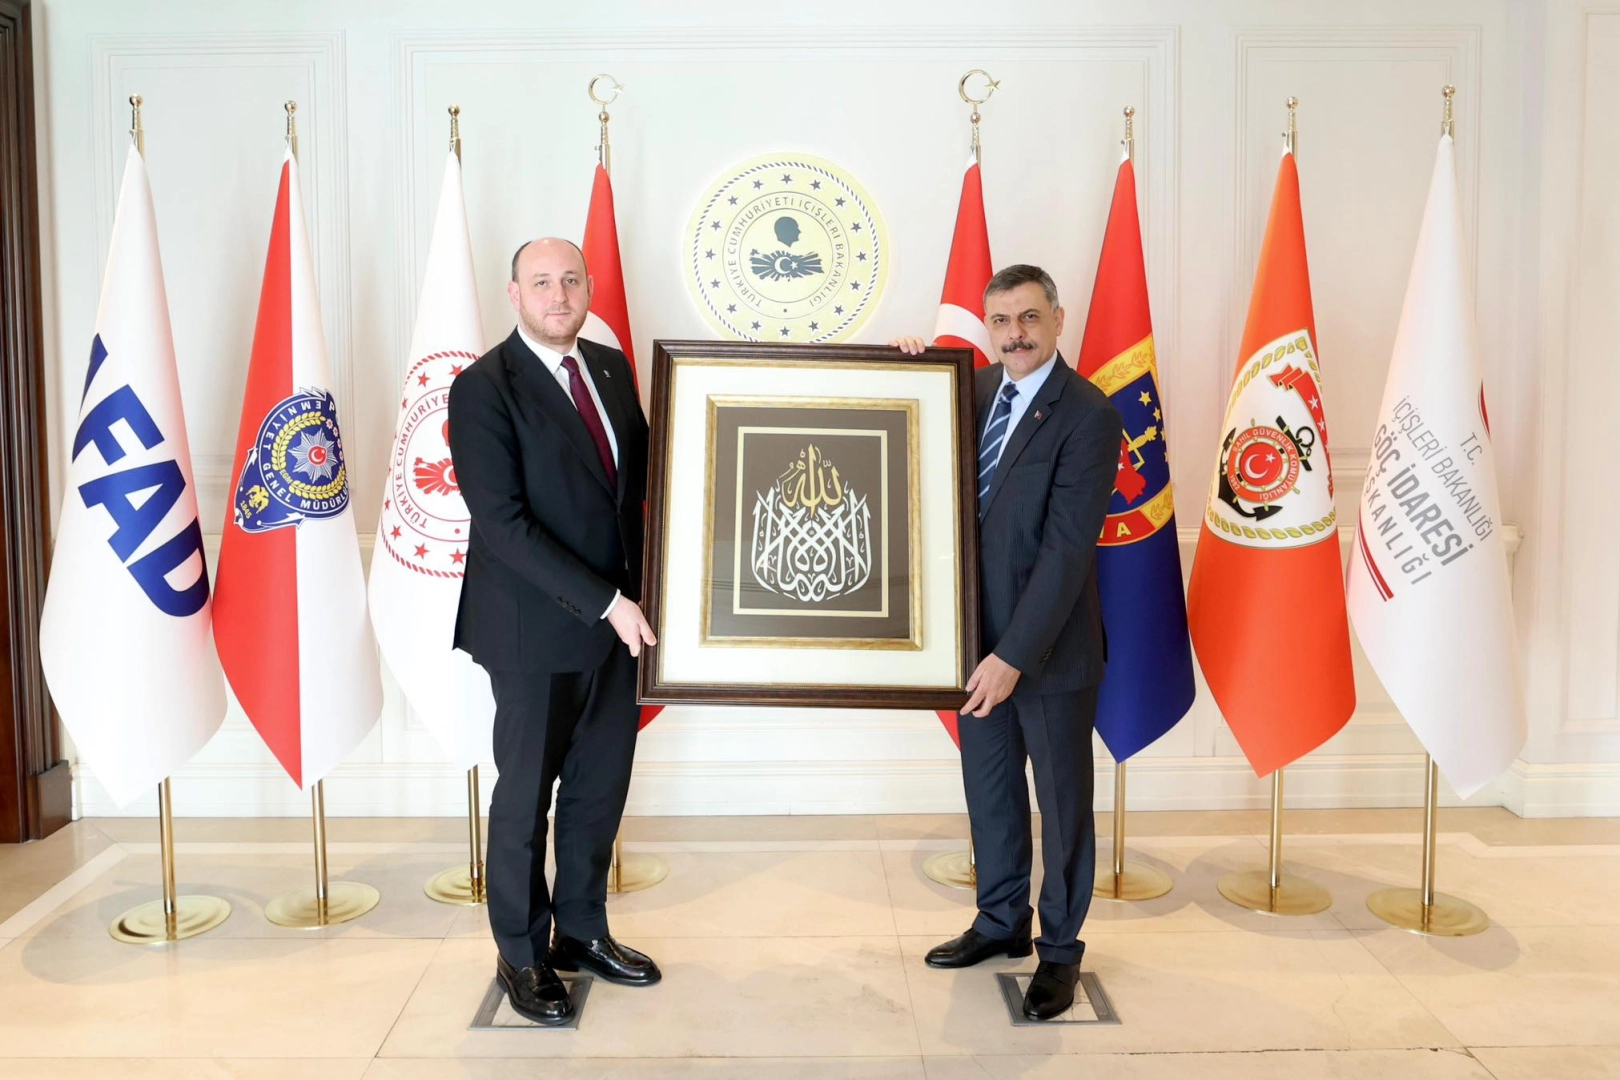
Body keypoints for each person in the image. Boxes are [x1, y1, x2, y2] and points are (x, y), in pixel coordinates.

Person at [892, 264, 1122, 1021]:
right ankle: (1000, 923)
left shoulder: (1088, 413)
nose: (1014, 334)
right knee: (990, 795)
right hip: (971, 647)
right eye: (1000, 321)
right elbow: (914, 448)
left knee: (1062, 806)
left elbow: (1066, 552)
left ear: (1057, 318)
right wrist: (909, 369)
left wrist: (1014, 657)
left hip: (1046, 656)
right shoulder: (976, 390)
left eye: (1028, 317)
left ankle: (1059, 951)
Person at [447, 237, 661, 1026]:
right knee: (526, 798)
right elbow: (503, 523)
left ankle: (581, 931)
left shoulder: (610, 368)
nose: (558, 294)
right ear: (515, 294)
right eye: (541, 282)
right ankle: (521, 953)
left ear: (589, 287)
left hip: (621, 626)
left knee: (599, 790)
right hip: (534, 631)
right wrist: (607, 601)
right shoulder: (482, 387)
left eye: (570, 280)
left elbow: (650, 479)